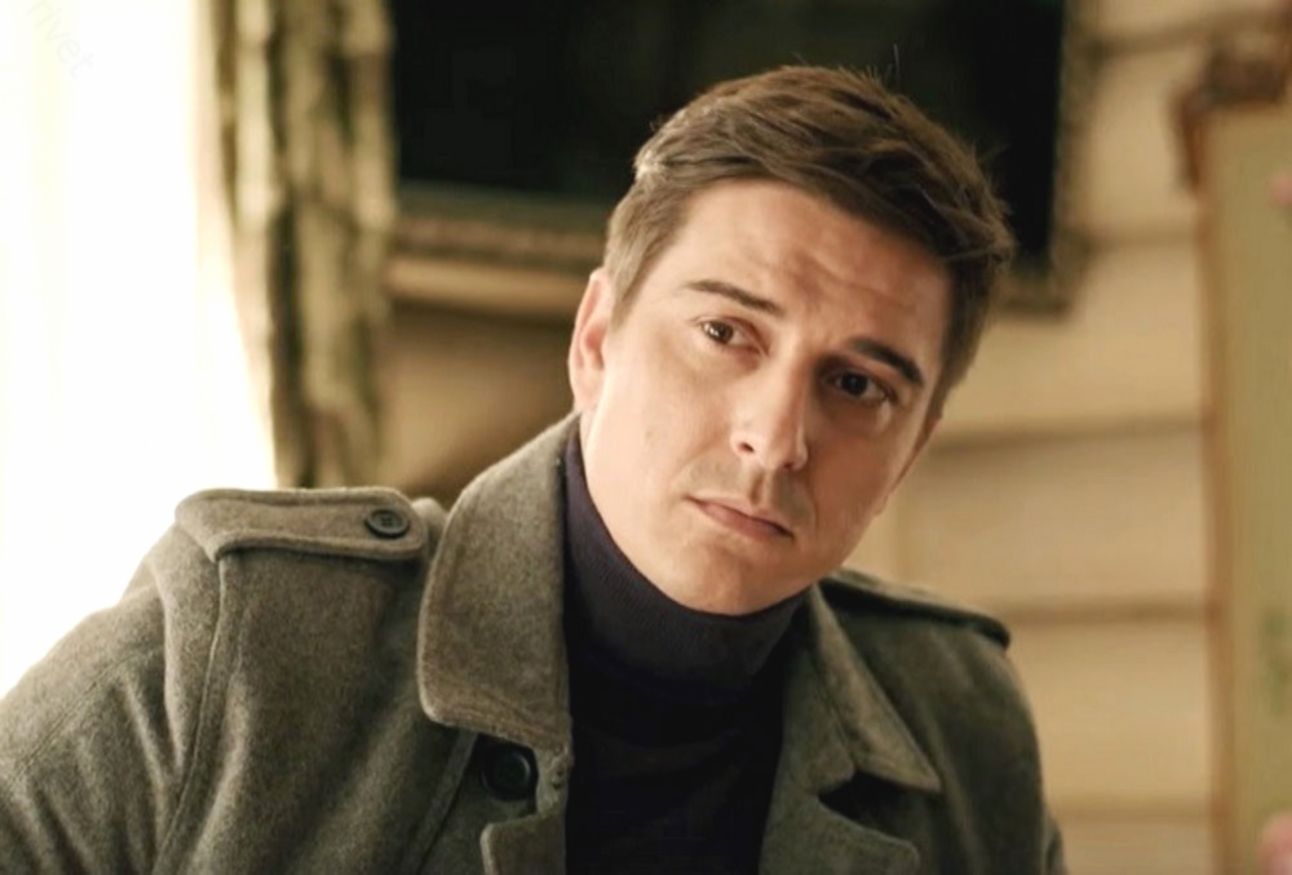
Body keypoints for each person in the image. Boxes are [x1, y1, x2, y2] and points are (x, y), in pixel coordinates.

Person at [0, 66, 1065, 873]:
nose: (776, 437)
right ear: (596, 339)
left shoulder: (959, 722)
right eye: (725, 332)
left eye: (856, 385)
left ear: (910, 449)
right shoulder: (246, 638)